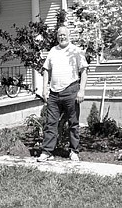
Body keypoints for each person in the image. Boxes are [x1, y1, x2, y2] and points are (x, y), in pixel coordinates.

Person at [37, 26, 88, 162]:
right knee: (50, 123)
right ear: (57, 36)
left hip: (71, 90)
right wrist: (44, 89)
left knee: (73, 123)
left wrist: (81, 90)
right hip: (54, 94)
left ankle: (73, 151)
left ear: (69, 35)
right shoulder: (53, 51)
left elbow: (84, 71)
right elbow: (46, 70)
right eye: (59, 35)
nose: (62, 37)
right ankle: (47, 152)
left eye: (64, 34)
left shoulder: (76, 51)